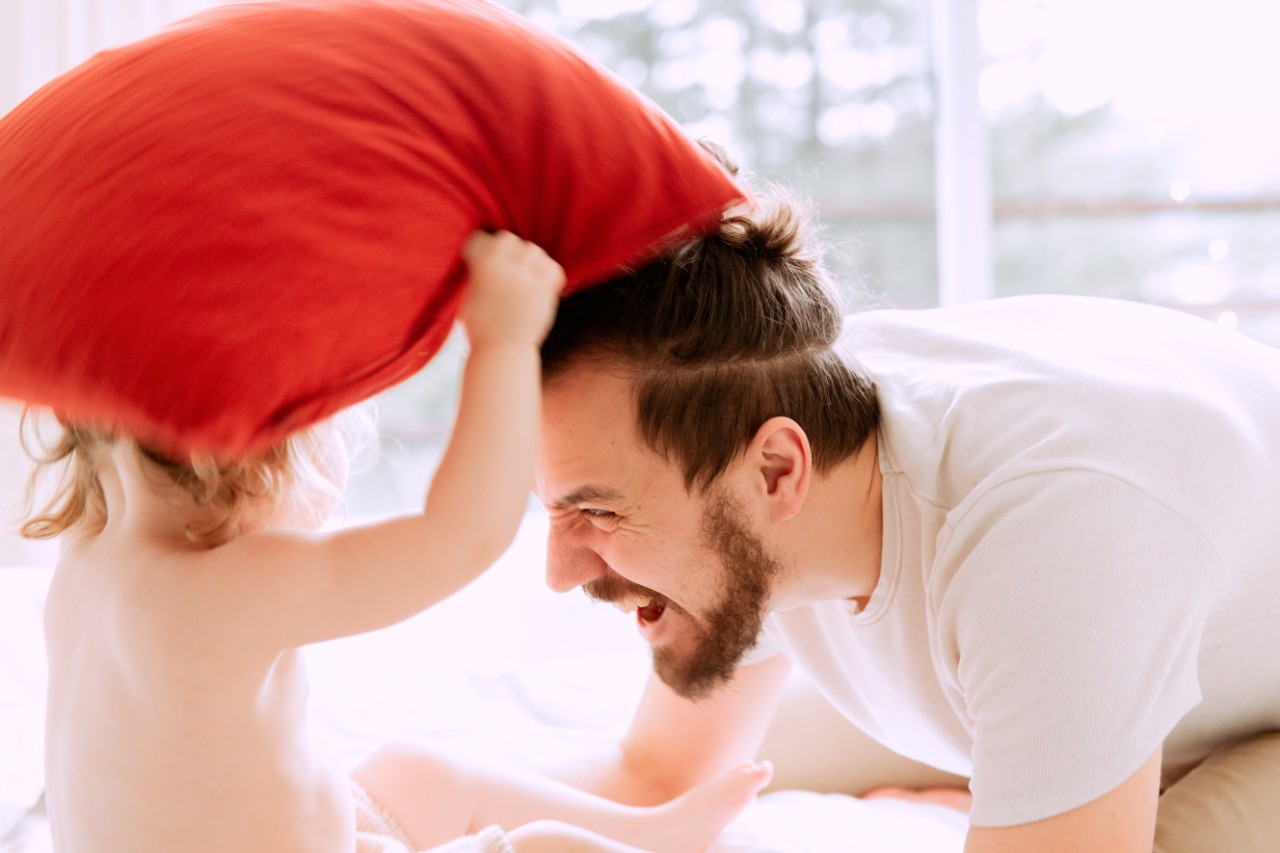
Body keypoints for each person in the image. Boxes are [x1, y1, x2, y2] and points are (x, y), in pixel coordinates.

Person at [531, 160, 1280, 852]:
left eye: (597, 511)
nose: (559, 573)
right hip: (1126, 639)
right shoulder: (763, 403)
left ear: (776, 472)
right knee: (737, 777)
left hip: (1249, 709)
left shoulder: (1047, 541)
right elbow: (658, 779)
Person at [19, 230, 772, 853]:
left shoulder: (89, 560)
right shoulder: (224, 589)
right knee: (545, 845)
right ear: (243, 454)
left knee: (418, 772)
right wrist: (502, 340)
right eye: (324, 430)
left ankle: (649, 827)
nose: (340, 460)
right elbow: (461, 537)